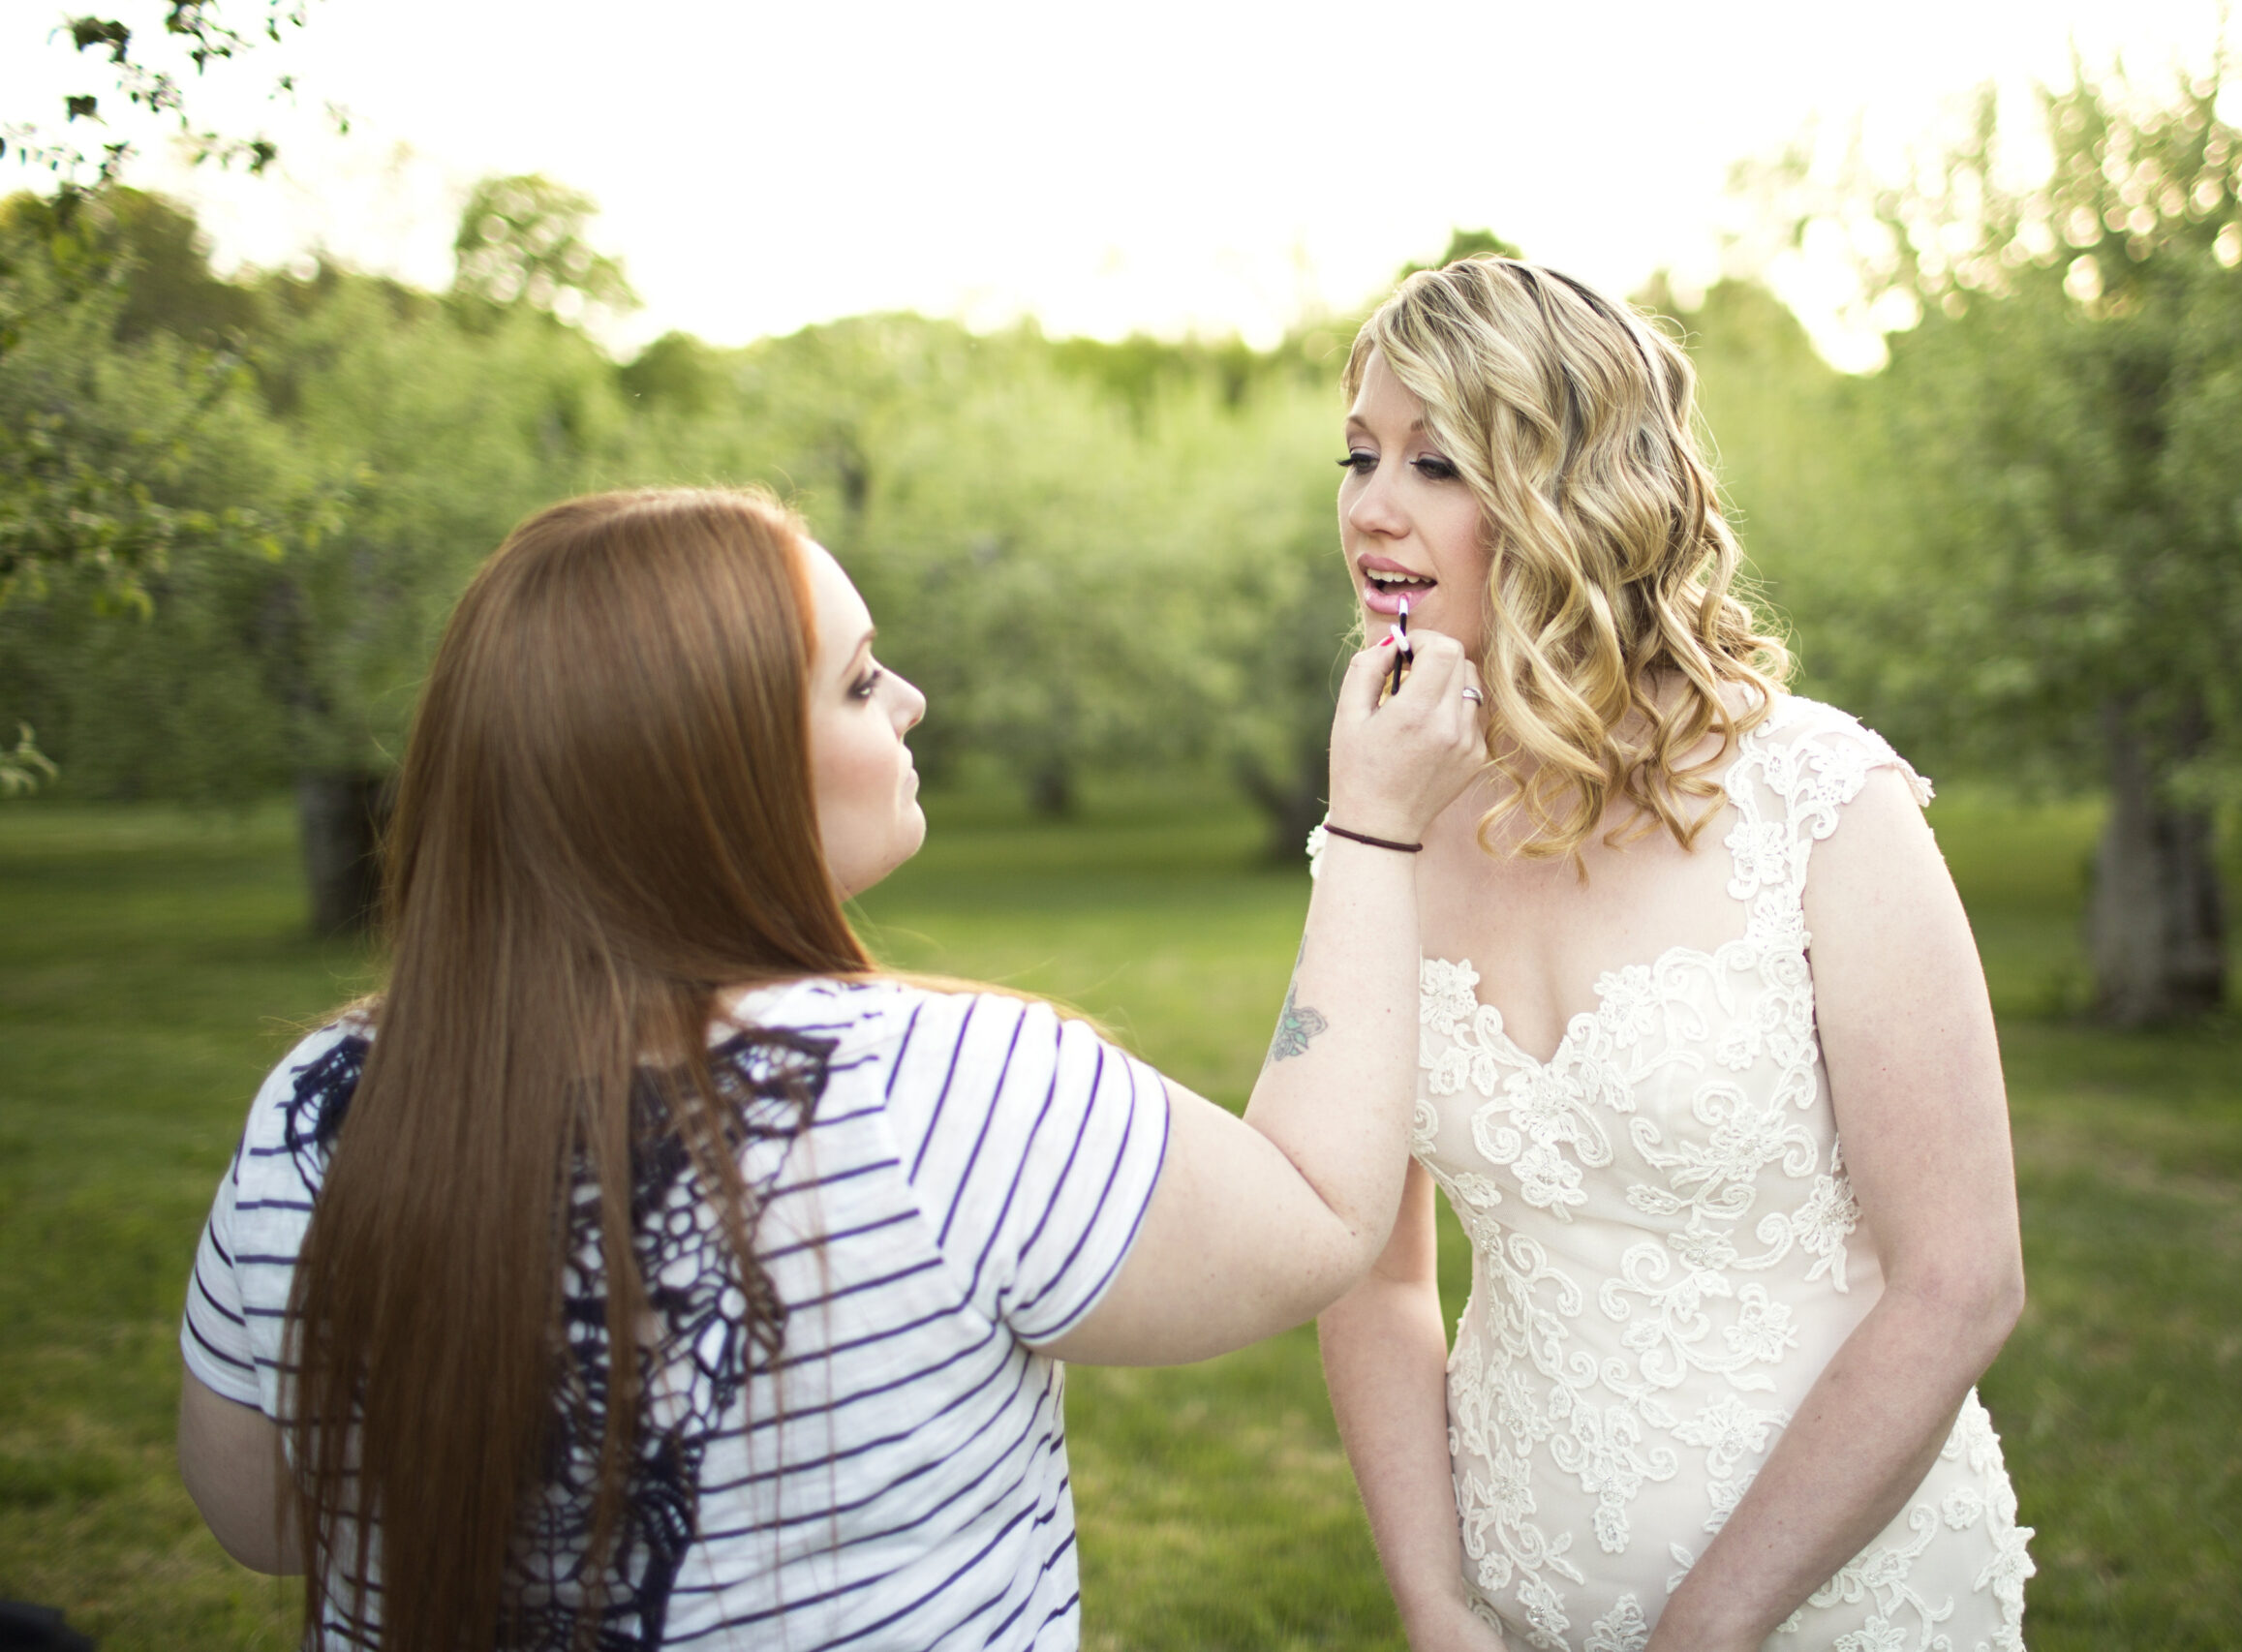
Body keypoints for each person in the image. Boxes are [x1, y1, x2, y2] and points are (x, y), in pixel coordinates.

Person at [174, 487, 1489, 1650]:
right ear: (713, 777)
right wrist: (1374, 826)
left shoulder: (322, 1103)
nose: (911, 699)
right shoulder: (942, 1096)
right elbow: (1319, 1211)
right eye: (860, 681)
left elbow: (261, 1514)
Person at [1309, 259, 2035, 1652]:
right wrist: (1432, 1599)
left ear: (1573, 497)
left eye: (1436, 460)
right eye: (1359, 454)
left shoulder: (1819, 798)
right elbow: (1369, 1263)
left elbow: (1961, 1279)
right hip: (1517, 1597)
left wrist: (1712, 1626)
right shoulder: (1384, 822)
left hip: (1843, 1603)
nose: (1369, 506)